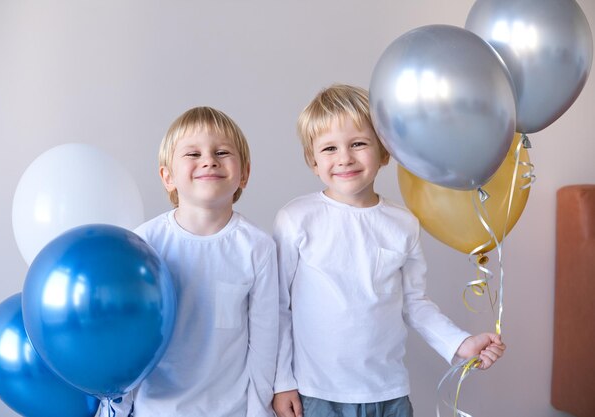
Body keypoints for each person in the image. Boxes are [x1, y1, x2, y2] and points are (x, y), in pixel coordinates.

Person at [272, 84, 505, 417]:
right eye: (329, 149)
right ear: (313, 161)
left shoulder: (402, 223)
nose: (345, 158)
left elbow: (415, 303)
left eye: (358, 144)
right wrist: (282, 382)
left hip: (388, 392)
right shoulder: (296, 219)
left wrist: (460, 343)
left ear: (384, 152)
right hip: (317, 392)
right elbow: (278, 307)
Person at [108, 106, 279, 417]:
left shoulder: (257, 248)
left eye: (222, 152)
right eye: (193, 154)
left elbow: (266, 339)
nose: (209, 160)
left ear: (245, 174)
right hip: (157, 409)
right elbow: (126, 334)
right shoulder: (144, 242)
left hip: (232, 409)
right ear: (168, 176)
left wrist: (259, 409)